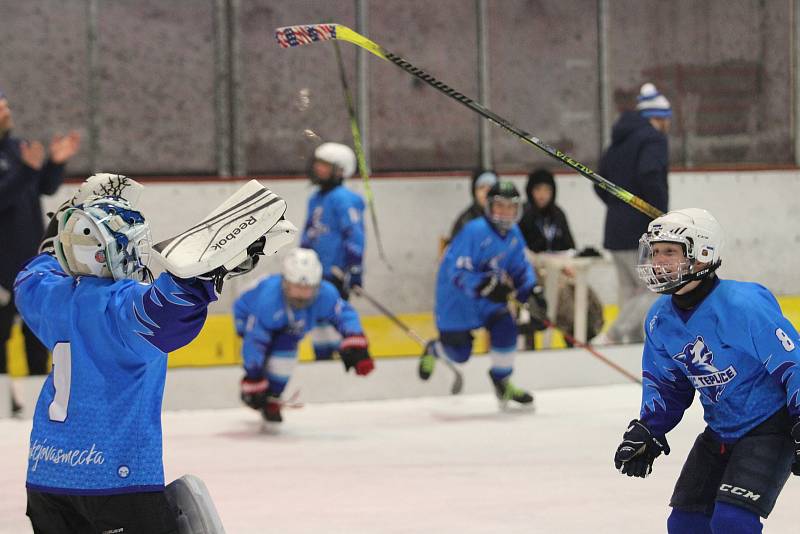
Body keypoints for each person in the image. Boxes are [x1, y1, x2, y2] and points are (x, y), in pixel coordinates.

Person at [16, 175, 289, 533]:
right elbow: (169, 310)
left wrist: (65, 224)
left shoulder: (49, 297)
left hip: (46, 480)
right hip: (116, 481)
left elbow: (31, 273)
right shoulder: (121, 307)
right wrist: (208, 275)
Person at [613, 208, 800, 534]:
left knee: (733, 521)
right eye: (655, 252)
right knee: (686, 523)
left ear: (703, 255)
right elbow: (668, 385)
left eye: (670, 252)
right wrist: (649, 428)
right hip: (720, 432)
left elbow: (793, 363)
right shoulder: (660, 320)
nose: (658, 261)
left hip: (771, 429)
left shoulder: (743, 306)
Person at [419, 180, 545, 408]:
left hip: (486, 298)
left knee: (506, 326)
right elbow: (456, 271)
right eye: (500, 206)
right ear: (489, 206)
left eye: (511, 207)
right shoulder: (474, 230)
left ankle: (502, 381)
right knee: (460, 354)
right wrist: (484, 286)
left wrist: (531, 289)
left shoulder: (514, 233)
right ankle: (434, 349)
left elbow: (519, 266)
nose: (505, 212)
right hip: (457, 300)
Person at [0, 88, 81, 412]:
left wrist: (54, 165)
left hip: (30, 261)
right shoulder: (20, 160)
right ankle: (4, 405)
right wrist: (29, 171)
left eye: (6, 105)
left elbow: (44, 187)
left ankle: (39, 401)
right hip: (0, 265)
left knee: (38, 333)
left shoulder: (20, 148)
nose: (6, 112)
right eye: (0, 107)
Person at [235, 248, 374, 424]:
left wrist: (357, 344)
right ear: (285, 282)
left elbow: (344, 314)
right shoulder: (268, 301)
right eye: (297, 287)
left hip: (288, 320)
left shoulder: (325, 293)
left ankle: (272, 395)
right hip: (246, 314)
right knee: (277, 351)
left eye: (308, 288)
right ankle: (266, 393)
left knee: (288, 345)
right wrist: (253, 377)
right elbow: (254, 341)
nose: (302, 293)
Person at [594, 82, 671, 344]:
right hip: (641, 229)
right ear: (657, 118)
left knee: (630, 289)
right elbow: (650, 174)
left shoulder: (618, 140)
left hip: (615, 228)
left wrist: (618, 208)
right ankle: (615, 335)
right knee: (658, 286)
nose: (667, 126)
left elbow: (599, 180)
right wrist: (661, 216)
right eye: (666, 119)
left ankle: (636, 343)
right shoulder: (653, 138)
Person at [300, 142, 366, 360]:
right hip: (315, 274)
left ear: (341, 170)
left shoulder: (343, 198)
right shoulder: (316, 198)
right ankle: (324, 361)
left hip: (335, 273)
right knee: (317, 318)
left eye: (325, 165)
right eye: (317, 163)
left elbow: (354, 234)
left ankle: (344, 358)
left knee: (333, 316)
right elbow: (310, 233)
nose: (318, 168)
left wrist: (354, 269)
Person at [518, 168, 574, 253]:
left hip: (557, 262)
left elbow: (570, 246)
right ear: (530, 190)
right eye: (538, 189)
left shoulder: (558, 213)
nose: (542, 194)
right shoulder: (522, 213)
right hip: (529, 263)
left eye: (547, 190)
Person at [449, 169, 498, 241]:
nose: (487, 192)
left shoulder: (506, 216)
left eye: (491, 187)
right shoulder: (466, 221)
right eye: (482, 187)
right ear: (474, 192)